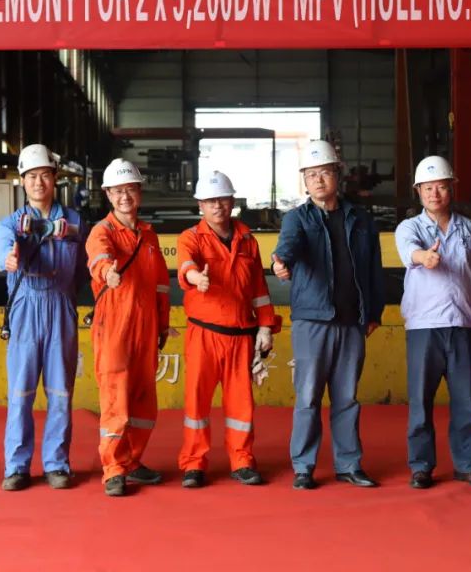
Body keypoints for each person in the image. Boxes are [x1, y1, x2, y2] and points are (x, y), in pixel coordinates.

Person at [272, 140, 386, 490]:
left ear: (338, 174)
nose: (318, 180)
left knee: (347, 398)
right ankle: (304, 467)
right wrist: (281, 262)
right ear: (304, 181)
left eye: (324, 172)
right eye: (311, 175)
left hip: (352, 321)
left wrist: (374, 312)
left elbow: (374, 268)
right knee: (308, 397)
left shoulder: (361, 219)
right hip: (313, 321)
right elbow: (288, 246)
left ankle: (349, 464)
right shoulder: (297, 218)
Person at [395, 155, 471, 489]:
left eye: (440, 186)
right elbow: (409, 252)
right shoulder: (410, 228)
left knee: (464, 399)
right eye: (427, 188)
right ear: (418, 191)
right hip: (424, 326)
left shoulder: (469, 229)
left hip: (462, 322)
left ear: (451, 188)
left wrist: (464, 299)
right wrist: (425, 257)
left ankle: (468, 464)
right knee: (420, 400)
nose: (434, 193)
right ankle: (421, 467)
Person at [176, 171, 279, 489]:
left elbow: (259, 289)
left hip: (240, 337)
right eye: (210, 201)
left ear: (232, 201)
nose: (217, 206)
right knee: (197, 402)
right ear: (200, 206)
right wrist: (196, 278)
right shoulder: (190, 238)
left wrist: (265, 326)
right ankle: (194, 464)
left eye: (222, 199)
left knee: (241, 405)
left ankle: (242, 460)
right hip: (204, 335)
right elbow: (186, 265)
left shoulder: (248, 241)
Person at [0, 144, 87, 491]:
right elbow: (3, 251)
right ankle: (16, 466)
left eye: (44, 175)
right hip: (25, 309)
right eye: (31, 176)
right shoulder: (10, 224)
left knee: (60, 392)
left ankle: (57, 464)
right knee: (20, 392)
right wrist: (10, 257)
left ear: (55, 178)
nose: (38, 182)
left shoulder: (74, 221)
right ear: (22, 181)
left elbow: (84, 267)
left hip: (61, 306)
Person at [85, 158, 172, 497]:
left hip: (146, 329)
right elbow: (98, 257)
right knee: (115, 398)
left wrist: (162, 324)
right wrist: (107, 271)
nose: (125, 197)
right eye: (118, 191)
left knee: (143, 399)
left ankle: (133, 460)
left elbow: (161, 284)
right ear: (108, 194)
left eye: (130, 189)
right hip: (114, 328)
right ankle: (113, 469)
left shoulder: (148, 236)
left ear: (139, 192)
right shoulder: (102, 232)